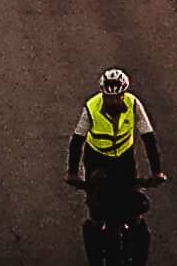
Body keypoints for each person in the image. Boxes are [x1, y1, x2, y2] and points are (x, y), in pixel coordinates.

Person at [64, 66, 166, 242]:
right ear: (103, 95)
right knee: (96, 206)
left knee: (132, 202)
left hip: (123, 158)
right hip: (97, 158)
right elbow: (77, 140)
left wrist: (156, 171)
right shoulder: (91, 107)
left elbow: (148, 137)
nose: (113, 102)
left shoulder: (134, 104)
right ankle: (93, 234)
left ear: (123, 94)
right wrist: (73, 173)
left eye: (117, 97)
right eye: (109, 98)